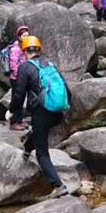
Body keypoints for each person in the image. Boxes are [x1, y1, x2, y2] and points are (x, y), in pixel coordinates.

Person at [9, 34, 70, 197]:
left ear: (24, 51)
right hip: (58, 113)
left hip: (42, 113)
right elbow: (66, 88)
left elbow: (18, 95)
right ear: (39, 50)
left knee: (42, 153)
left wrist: (11, 111)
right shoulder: (50, 65)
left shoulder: (25, 67)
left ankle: (59, 186)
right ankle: (27, 149)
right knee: (37, 132)